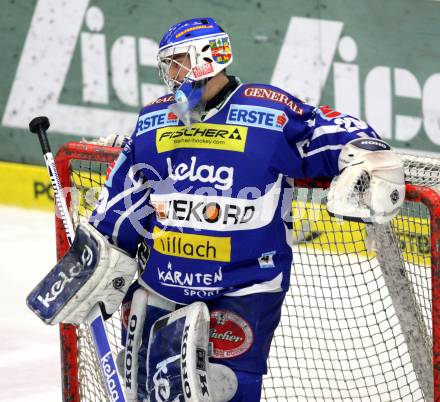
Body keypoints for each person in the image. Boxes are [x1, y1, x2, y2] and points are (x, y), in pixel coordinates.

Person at [28, 17, 406, 402]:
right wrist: (99, 251)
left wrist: (366, 157)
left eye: (176, 62)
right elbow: (129, 192)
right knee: (149, 388)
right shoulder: (155, 118)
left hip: (243, 287)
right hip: (163, 282)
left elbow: (326, 131)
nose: (170, 75)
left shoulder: (268, 112)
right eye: (168, 65)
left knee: (227, 388)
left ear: (205, 59)